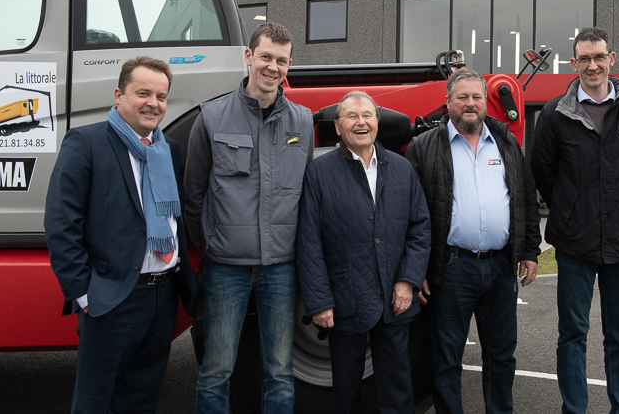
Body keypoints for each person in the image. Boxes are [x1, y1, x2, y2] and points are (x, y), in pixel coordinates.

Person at [45, 57, 200, 414]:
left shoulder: (168, 150)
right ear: (119, 95)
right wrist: (85, 294)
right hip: (111, 297)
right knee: (95, 401)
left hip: (162, 296)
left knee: (142, 399)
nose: (153, 103)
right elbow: (60, 223)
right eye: (143, 92)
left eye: (161, 96)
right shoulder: (86, 142)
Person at [185, 22, 314, 413]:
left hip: (281, 269)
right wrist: (211, 243)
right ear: (248, 57)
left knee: (279, 371)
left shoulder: (303, 122)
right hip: (226, 268)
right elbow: (193, 195)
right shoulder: (211, 118)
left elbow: (307, 194)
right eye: (265, 57)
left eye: (281, 60)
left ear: (289, 64)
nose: (272, 67)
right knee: (216, 370)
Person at [530, 27, 619, 414]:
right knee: (572, 335)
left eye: (599, 57)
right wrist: (570, 209)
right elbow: (543, 173)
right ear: (573, 64)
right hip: (574, 245)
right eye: (584, 58)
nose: (592, 65)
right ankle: (575, 409)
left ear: (611, 59)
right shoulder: (554, 115)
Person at [404, 68, 542, 414]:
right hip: (450, 268)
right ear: (448, 101)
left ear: (486, 102)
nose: (470, 103)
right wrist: (413, 268)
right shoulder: (424, 148)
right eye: (462, 97)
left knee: (501, 355)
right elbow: (409, 213)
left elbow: (525, 197)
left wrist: (528, 250)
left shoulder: (507, 143)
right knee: (446, 358)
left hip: (500, 265)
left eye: (476, 97)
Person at [296, 91, 431, 414]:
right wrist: (319, 300)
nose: (361, 122)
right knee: (345, 389)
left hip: (394, 299)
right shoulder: (318, 173)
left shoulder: (401, 168)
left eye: (367, 115)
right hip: (345, 300)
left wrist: (408, 280)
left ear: (377, 122)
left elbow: (420, 228)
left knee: (398, 388)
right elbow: (309, 241)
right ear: (338, 127)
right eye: (352, 117)